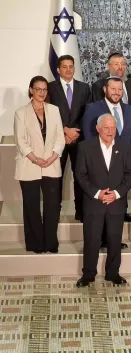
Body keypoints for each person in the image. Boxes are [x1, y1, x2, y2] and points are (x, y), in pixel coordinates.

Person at [75, 114, 131, 287]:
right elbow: (80, 174)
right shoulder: (85, 147)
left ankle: (113, 273)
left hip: (116, 202)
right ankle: (88, 275)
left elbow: (130, 173)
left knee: (115, 240)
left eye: (113, 128)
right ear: (98, 128)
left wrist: (116, 194)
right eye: (107, 128)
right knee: (92, 240)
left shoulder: (124, 146)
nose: (110, 131)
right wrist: (97, 193)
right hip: (94, 202)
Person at [14, 76, 65, 253]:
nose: (42, 93)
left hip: (51, 164)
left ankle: (51, 243)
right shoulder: (21, 113)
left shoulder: (54, 110)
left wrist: (53, 156)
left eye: (44, 90)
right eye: (38, 89)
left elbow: (60, 136)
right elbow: (20, 141)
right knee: (32, 206)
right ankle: (36, 243)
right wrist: (36, 159)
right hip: (29, 164)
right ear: (31, 90)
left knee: (52, 206)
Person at [82, 76, 131, 227]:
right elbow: (88, 135)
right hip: (99, 165)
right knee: (101, 207)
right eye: (113, 89)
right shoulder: (93, 108)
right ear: (105, 89)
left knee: (117, 205)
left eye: (120, 89)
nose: (116, 92)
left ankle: (114, 239)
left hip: (122, 163)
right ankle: (102, 239)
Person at [47, 55, 92, 222]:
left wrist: (74, 132)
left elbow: (87, 114)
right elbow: (48, 113)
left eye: (71, 66)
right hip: (57, 140)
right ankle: (54, 211)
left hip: (78, 140)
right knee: (55, 177)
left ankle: (80, 211)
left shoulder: (84, 88)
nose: (68, 69)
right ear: (58, 70)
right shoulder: (50, 88)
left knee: (80, 176)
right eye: (64, 67)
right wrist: (64, 130)